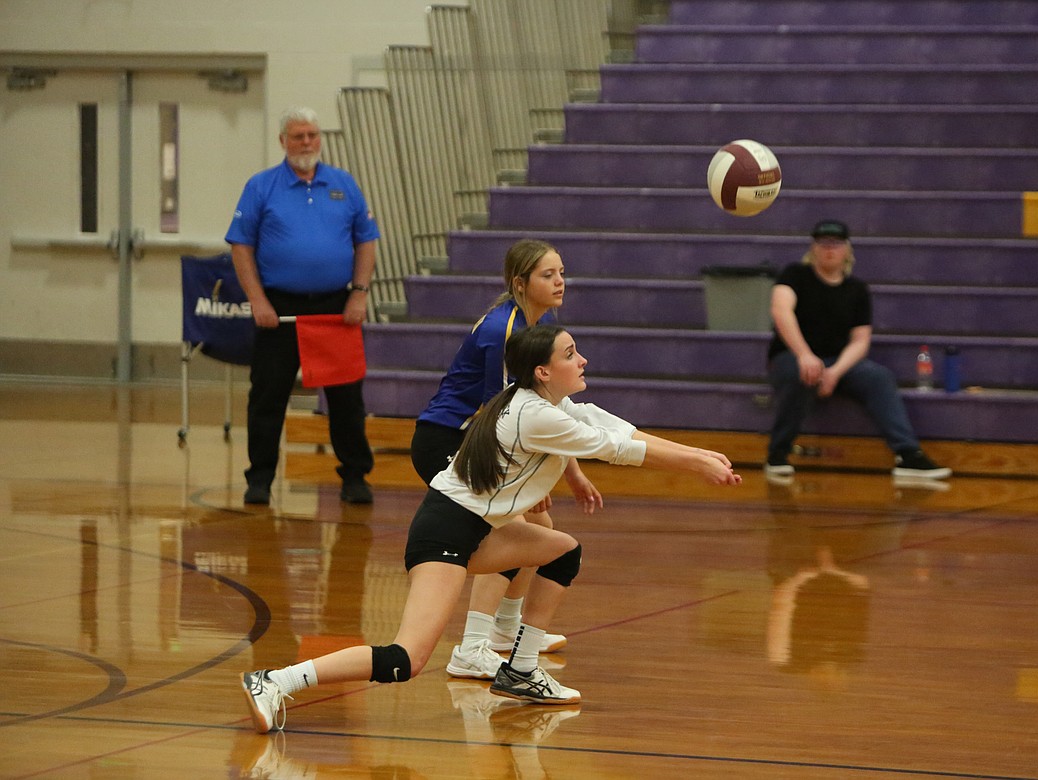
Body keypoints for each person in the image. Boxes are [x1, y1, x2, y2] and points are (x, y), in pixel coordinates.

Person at [239, 324, 742, 734]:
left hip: (479, 529)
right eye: (572, 353)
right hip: (445, 532)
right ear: (544, 371)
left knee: (562, 550)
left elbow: (626, 433)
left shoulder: (553, 405)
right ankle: (276, 679)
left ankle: (521, 669)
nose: (583, 359)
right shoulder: (533, 415)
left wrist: (701, 455)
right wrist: (696, 467)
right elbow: (620, 451)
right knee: (404, 660)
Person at [409, 239, 598, 680]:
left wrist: (571, 471)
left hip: (477, 440)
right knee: (519, 531)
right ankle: (474, 644)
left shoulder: (535, 323)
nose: (559, 282)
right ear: (520, 283)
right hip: (450, 440)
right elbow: (504, 416)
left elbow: (543, 410)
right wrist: (522, 487)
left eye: (562, 273)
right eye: (548, 275)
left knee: (539, 530)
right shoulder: (505, 331)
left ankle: (503, 631)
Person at [226, 106, 378, 506]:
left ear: (320, 138)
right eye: (298, 136)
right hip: (278, 310)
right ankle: (259, 478)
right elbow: (241, 245)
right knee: (267, 397)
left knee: (346, 398)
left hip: (335, 307)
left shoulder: (344, 185)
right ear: (283, 142)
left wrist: (359, 293)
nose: (306, 142)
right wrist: (257, 300)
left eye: (312, 135)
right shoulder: (261, 187)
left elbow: (366, 240)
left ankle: (355, 477)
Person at [764, 219, 951, 482]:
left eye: (836, 244)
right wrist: (805, 355)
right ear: (813, 248)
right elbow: (780, 310)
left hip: (838, 362)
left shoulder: (857, 290)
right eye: (823, 243)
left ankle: (909, 455)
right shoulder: (795, 275)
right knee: (803, 374)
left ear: (847, 249)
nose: (829, 249)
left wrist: (836, 372)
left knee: (879, 377)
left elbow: (860, 340)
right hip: (792, 356)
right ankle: (778, 454)